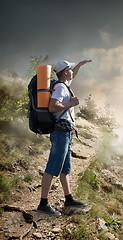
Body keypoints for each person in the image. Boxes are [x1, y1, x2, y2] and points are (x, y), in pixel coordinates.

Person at [37, 59, 92, 216]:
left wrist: (80, 65)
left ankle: (69, 199)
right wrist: (72, 104)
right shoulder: (61, 87)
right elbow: (53, 106)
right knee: (52, 168)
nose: (71, 71)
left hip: (66, 132)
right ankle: (43, 203)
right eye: (70, 69)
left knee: (64, 169)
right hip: (60, 133)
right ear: (64, 72)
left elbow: (72, 75)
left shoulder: (65, 84)